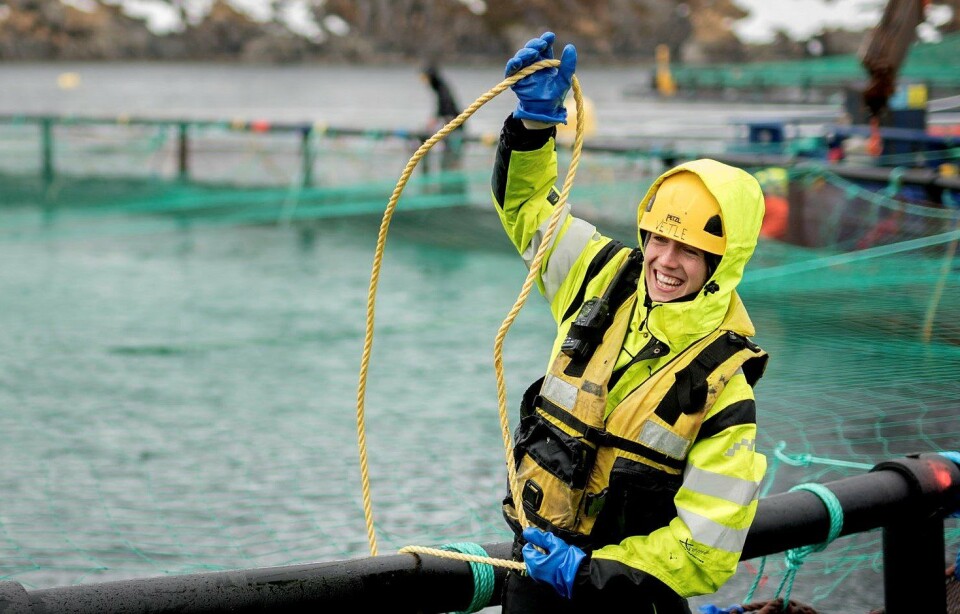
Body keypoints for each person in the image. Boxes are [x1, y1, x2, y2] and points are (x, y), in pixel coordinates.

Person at [492, 32, 770, 613]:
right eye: (658, 239)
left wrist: (586, 574)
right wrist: (533, 125)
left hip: (623, 601)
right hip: (533, 571)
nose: (664, 261)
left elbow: (705, 550)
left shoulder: (726, 391)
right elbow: (528, 209)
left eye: (689, 250)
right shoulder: (600, 274)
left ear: (722, 264)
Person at [421, 63, 465, 178]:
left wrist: (436, 119)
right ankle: (450, 172)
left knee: (452, 155)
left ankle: (452, 174)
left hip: (455, 126)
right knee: (449, 153)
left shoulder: (441, 88)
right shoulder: (440, 87)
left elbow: (446, 105)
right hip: (453, 124)